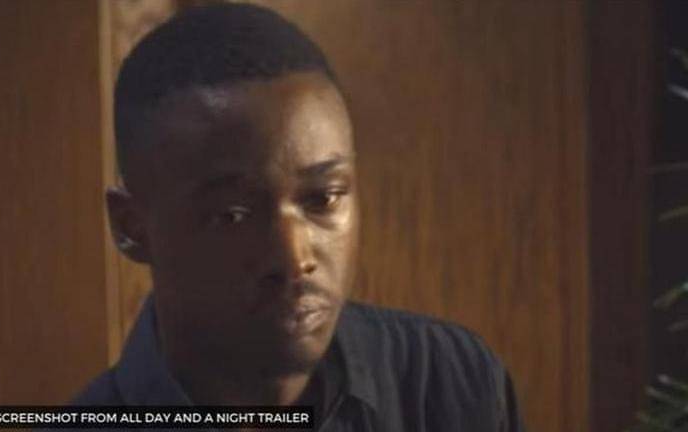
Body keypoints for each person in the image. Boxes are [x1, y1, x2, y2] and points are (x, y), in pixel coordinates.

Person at [74, 3, 525, 431]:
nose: (293, 258)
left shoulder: (449, 385)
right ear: (131, 227)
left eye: (323, 199)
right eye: (231, 215)